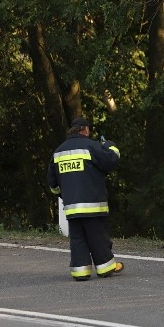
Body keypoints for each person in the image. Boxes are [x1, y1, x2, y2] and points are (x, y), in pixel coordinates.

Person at [47, 117, 123, 280]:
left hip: (72, 207)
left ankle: (80, 272)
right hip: (93, 204)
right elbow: (110, 160)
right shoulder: (91, 146)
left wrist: (64, 195)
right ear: (86, 130)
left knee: (78, 239)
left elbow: (53, 184)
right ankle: (105, 268)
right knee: (97, 237)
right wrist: (110, 146)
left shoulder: (59, 151)